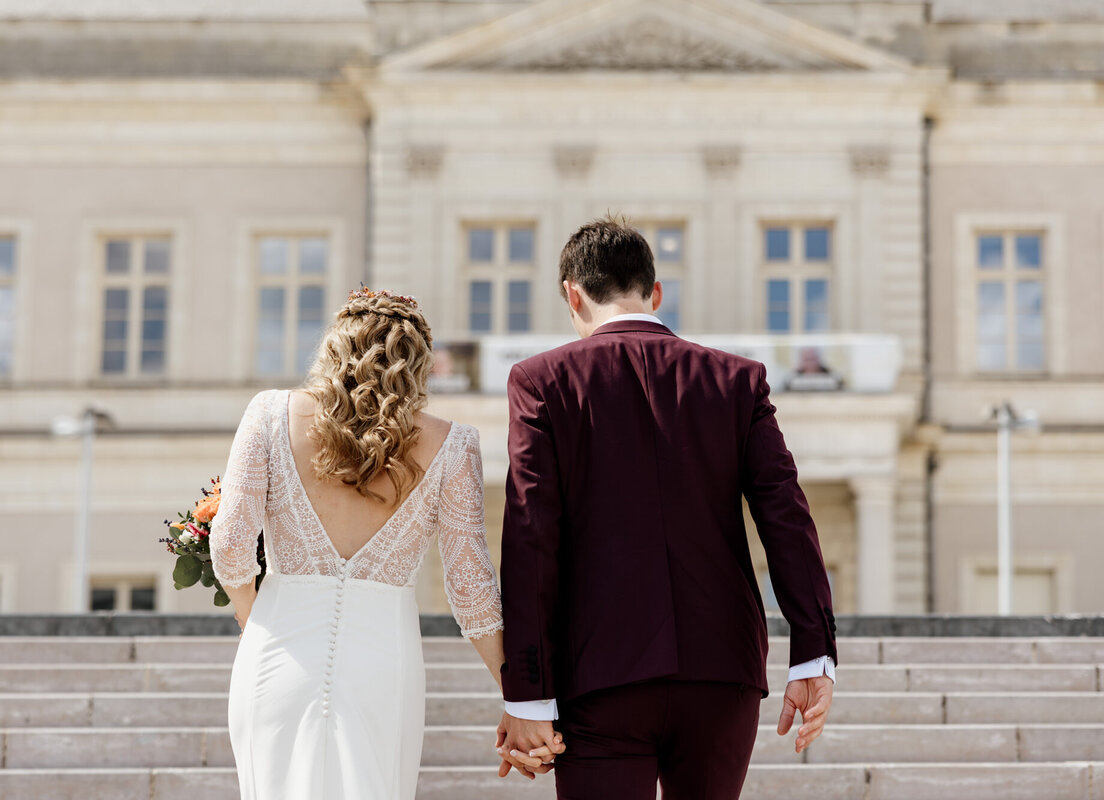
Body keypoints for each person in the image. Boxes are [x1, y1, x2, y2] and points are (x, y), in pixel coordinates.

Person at [494, 216, 839, 799]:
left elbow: (531, 536)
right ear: (655, 293)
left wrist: (527, 694)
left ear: (571, 296)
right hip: (720, 671)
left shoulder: (541, 381)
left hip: (598, 676)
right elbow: (786, 515)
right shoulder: (738, 380)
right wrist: (813, 655)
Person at [208, 286, 563, 799]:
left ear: (332, 351)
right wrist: (519, 701)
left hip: (276, 653)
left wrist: (252, 618)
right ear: (417, 366)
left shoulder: (268, 413)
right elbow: (471, 591)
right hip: (383, 669)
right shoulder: (454, 444)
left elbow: (231, 546)